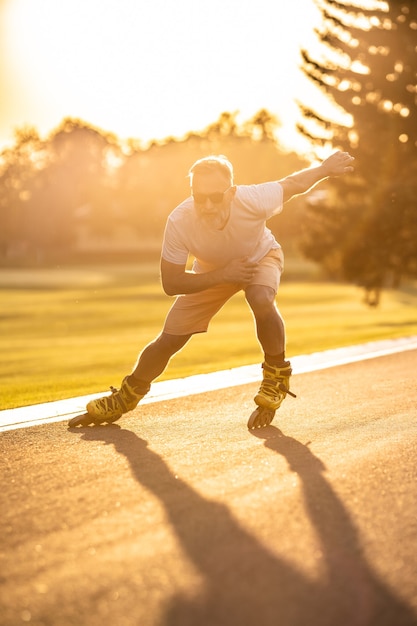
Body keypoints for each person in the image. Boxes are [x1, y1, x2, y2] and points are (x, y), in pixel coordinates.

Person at [85, 150, 354, 426]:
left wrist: (324, 169)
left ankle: (276, 376)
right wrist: (223, 274)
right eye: (201, 197)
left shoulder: (252, 198)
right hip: (212, 271)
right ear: (192, 194)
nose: (209, 205)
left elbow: (292, 184)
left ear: (231, 192)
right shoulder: (179, 221)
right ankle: (125, 397)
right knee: (170, 340)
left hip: (259, 257)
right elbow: (171, 282)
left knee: (260, 296)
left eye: (216, 196)